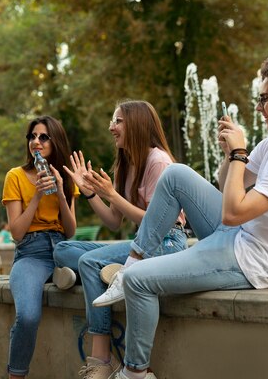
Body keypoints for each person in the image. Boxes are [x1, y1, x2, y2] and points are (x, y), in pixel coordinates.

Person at [103, 54, 268, 379]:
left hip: (250, 260)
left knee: (139, 281)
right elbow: (226, 186)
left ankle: (135, 374)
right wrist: (230, 155)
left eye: (264, 98)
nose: (258, 107)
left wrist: (240, 152)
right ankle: (129, 263)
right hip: (238, 235)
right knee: (176, 175)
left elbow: (232, 213)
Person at [51, 100, 188, 379]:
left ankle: (102, 358)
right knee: (63, 249)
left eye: (118, 121)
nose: (111, 127)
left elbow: (155, 223)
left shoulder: (158, 161)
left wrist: (112, 194)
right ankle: (109, 275)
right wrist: (89, 193)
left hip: (166, 242)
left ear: (137, 124)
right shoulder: (126, 164)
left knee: (88, 262)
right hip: (143, 244)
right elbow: (114, 222)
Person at [2, 116, 79, 379]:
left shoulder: (65, 178)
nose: (36, 141)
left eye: (43, 137)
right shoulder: (15, 176)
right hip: (31, 253)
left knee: (79, 254)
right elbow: (16, 233)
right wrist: (36, 195)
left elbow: (70, 231)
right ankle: (16, 375)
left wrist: (58, 188)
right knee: (28, 316)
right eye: (32, 136)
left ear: (55, 141)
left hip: (61, 247)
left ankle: (69, 271)